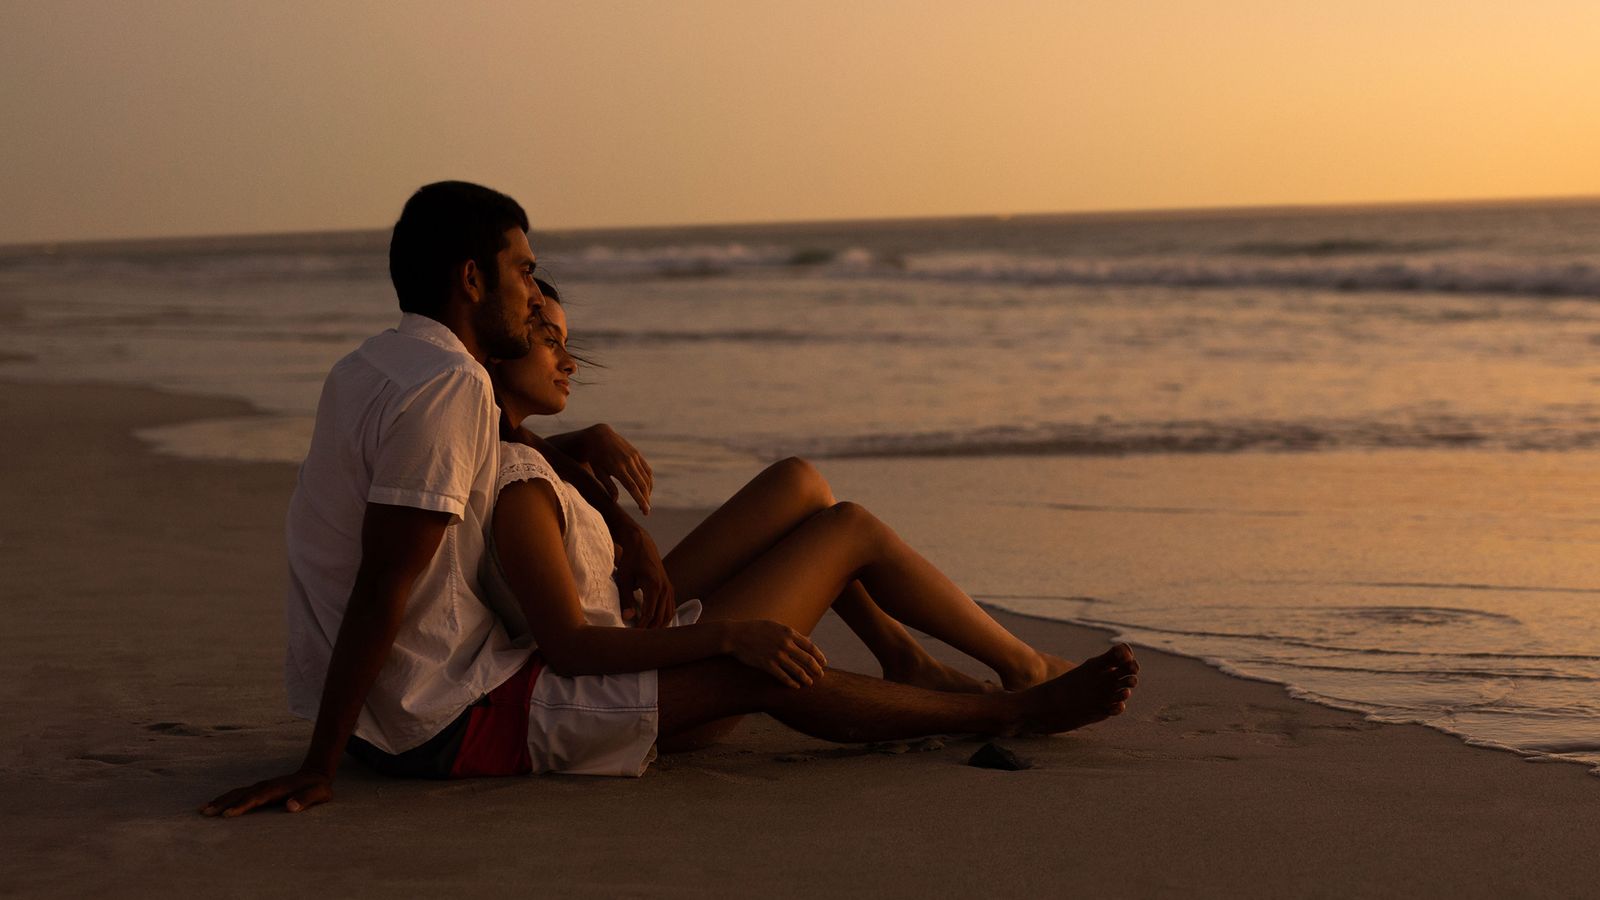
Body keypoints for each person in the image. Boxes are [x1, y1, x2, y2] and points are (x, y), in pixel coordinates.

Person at [462, 294, 1139, 777]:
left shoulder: (501, 443)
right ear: (495, 351)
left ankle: (906, 657)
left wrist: (580, 442)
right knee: (845, 528)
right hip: (647, 668)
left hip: (634, 627)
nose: (571, 361)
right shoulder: (518, 484)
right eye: (548, 338)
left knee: (799, 484)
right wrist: (728, 635)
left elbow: (510, 437)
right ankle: (1020, 670)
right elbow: (571, 644)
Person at [201, 181, 672, 816]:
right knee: (753, 671)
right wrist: (317, 767)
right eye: (524, 273)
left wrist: (616, 509)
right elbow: (382, 580)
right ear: (473, 280)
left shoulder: (370, 364)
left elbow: (511, 438)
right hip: (442, 715)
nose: (534, 295)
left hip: (379, 719)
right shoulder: (452, 386)